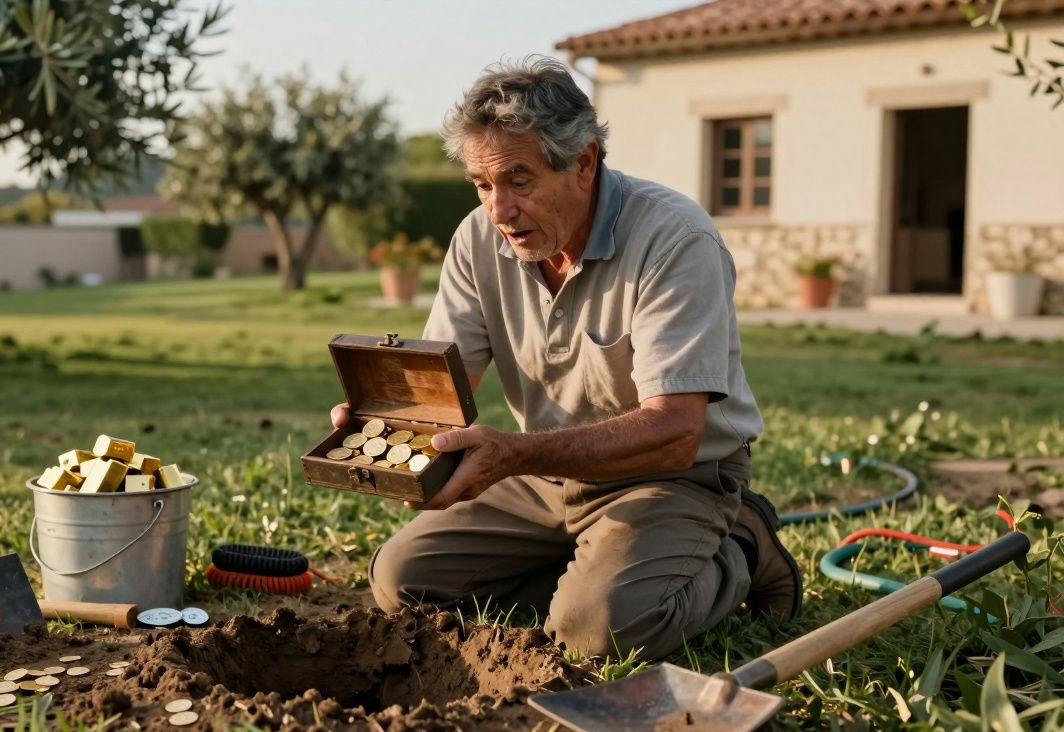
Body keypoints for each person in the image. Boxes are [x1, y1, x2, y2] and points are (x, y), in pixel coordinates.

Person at [332, 57, 800, 659]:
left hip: (669, 477)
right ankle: (591, 573)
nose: (498, 211)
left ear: (583, 163)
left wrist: (516, 452)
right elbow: (446, 392)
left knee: (598, 634)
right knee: (403, 581)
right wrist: (389, 419)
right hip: (541, 479)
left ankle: (742, 549)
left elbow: (676, 433)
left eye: (518, 181)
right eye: (481, 184)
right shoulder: (479, 239)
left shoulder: (675, 239)